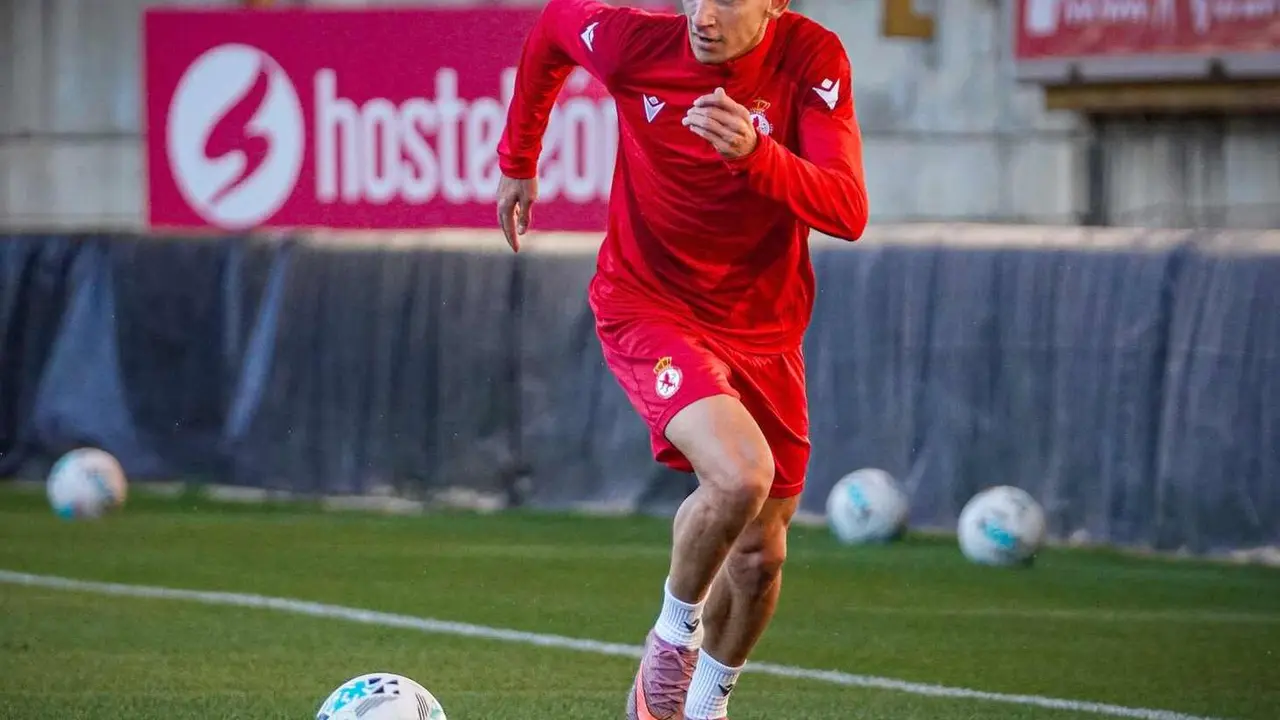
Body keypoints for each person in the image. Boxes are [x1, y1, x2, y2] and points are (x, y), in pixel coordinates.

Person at [496, 1, 868, 718]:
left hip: (765, 333)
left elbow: (848, 209)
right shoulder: (637, 42)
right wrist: (519, 158)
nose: (702, 13)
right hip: (650, 307)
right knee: (740, 475)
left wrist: (756, 157)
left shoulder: (812, 59)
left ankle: (704, 707)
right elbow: (551, 29)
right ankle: (668, 650)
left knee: (761, 559)